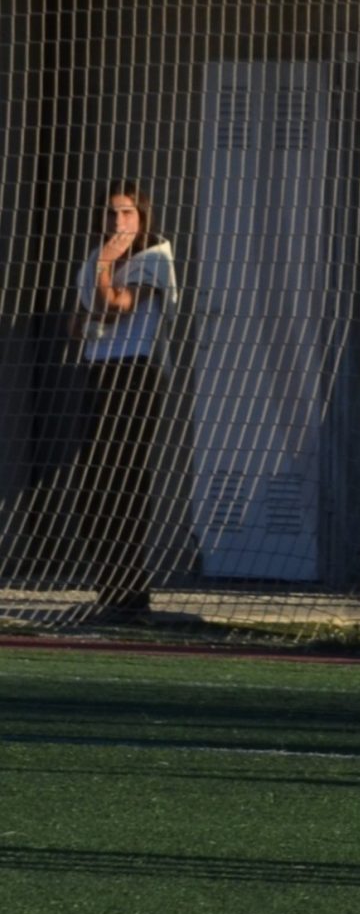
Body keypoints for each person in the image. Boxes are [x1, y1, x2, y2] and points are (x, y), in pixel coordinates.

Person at [71, 183, 179, 619]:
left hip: (134, 371)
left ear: (142, 216)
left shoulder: (154, 258)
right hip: (97, 368)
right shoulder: (94, 258)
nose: (118, 222)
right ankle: (109, 586)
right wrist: (100, 277)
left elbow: (115, 304)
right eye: (111, 213)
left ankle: (132, 588)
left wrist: (104, 270)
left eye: (127, 213)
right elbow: (79, 321)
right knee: (92, 484)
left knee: (124, 478)